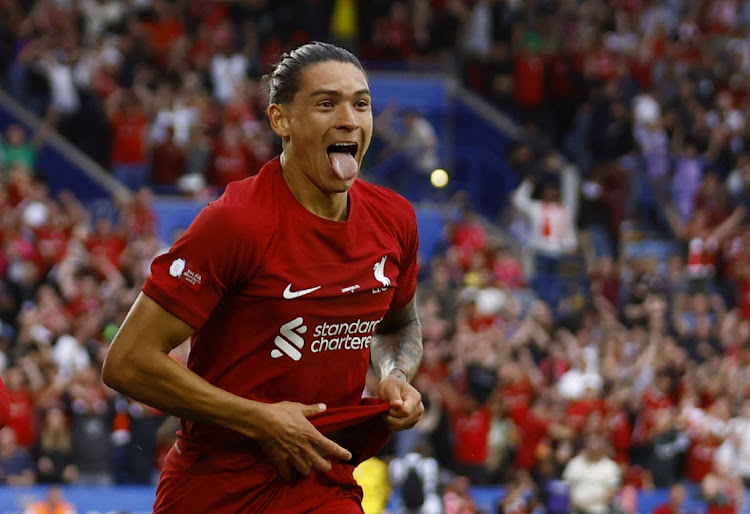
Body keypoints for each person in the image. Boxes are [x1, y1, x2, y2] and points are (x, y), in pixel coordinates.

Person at [102, 41, 424, 513]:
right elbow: (127, 362)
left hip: (322, 478)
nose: (349, 119)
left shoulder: (395, 219)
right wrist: (261, 421)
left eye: (361, 103)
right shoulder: (237, 222)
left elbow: (399, 325)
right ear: (281, 120)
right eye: (326, 103)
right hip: (218, 488)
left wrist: (396, 375)